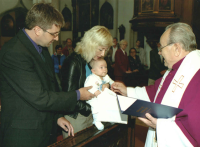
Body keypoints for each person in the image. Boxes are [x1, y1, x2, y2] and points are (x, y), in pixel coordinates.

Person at [0, 3, 95, 147]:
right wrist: (77, 95)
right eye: (54, 33)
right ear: (37, 30)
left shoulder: (41, 48)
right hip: (23, 135)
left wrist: (57, 117)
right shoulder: (14, 53)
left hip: (43, 129)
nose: (57, 38)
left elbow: (49, 86)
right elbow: (40, 97)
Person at [111, 22, 200, 147]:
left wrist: (160, 125)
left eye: (162, 48)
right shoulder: (175, 69)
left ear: (177, 49)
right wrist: (127, 91)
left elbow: (194, 126)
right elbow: (156, 92)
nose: (159, 52)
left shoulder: (196, 74)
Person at [61, 25, 113, 138]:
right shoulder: (73, 62)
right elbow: (67, 97)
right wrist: (91, 109)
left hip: (90, 113)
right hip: (76, 116)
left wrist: (106, 85)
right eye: (100, 49)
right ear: (90, 44)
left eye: (105, 50)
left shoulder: (91, 60)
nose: (103, 54)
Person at [84, 58, 114, 130]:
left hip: (101, 96)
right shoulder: (91, 78)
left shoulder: (105, 76)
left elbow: (111, 81)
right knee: (96, 105)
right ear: (93, 71)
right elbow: (87, 86)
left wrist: (114, 84)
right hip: (92, 97)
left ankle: (109, 117)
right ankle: (96, 120)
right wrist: (94, 91)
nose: (104, 69)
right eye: (101, 67)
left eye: (105, 67)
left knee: (109, 102)